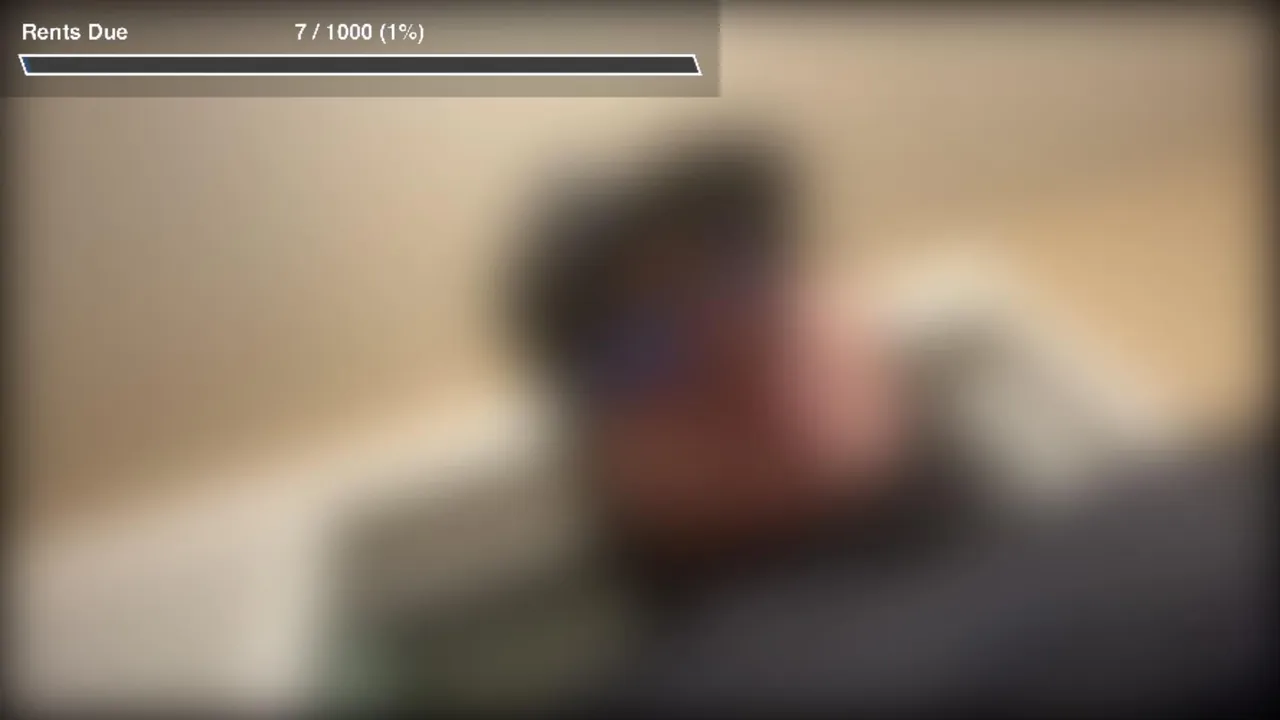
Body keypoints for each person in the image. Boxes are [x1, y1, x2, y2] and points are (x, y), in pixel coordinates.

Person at [512, 129, 1272, 714]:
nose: (728, 335)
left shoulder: (1146, 505)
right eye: (639, 347)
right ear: (605, 478)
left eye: (744, 269)